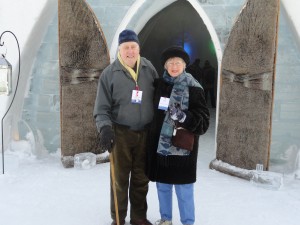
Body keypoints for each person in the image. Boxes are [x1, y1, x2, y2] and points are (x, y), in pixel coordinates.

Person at [93, 29, 158, 225]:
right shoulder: (109, 74)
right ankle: (119, 218)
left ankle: (138, 217)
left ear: (139, 48)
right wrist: (104, 128)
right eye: (126, 47)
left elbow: (159, 96)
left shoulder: (148, 68)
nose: (130, 51)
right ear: (120, 50)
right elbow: (101, 108)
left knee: (141, 178)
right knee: (119, 180)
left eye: (133, 47)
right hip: (120, 133)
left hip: (145, 133)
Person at [146, 46, 210, 225]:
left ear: (184, 65)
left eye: (178, 63)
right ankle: (166, 219)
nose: (174, 66)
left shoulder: (194, 88)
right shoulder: (159, 85)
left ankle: (188, 222)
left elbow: (203, 122)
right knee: (163, 187)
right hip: (162, 149)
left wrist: (184, 117)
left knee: (184, 190)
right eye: (170, 63)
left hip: (183, 150)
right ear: (165, 66)